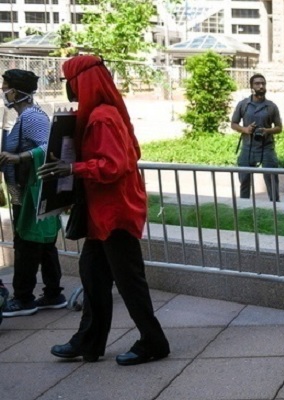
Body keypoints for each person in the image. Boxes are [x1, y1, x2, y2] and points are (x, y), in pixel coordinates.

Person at [38, 55, 170, 365]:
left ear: (81, 82)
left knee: (129, 282)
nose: (68, 88)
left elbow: (114, 166)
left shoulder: (101, 117)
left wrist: (72, 168)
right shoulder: (106, 112)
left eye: (68, 81)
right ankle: (89, 342)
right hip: (104, 215)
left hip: (115, 214)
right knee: (93, 278)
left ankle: (154, 342)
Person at [0, 69, 65, 318]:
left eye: (5, 87)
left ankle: (24, 298)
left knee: (27, 242)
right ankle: (52, 293)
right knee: (42, 242)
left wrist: (19, 157)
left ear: (16, 91)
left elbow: (48, 146)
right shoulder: (22, 116)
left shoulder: (32, 117)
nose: (4, 92)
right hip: (22, 190)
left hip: (30, 191)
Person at [231, 74, 283, 201]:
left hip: (267, 148)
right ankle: (244, 208)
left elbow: (279, 127)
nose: (261, 86)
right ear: (251, 86)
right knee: (244, 180)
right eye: (257, 83)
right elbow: (233, 124)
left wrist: (267, 131)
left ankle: (275, 209)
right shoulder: (243, 104)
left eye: (263, 84)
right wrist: (245, 129)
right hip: (247, 147)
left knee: (271, 180)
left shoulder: (271, 106)